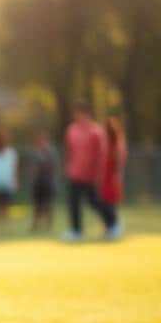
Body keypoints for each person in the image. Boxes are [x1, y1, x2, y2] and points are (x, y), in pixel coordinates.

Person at [62, 100, 113, 241]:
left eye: (82, 114)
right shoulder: (71, 130)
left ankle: (112, 223)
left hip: (91, 175)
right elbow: (69, 151)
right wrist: (68, 166)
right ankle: (76, 230)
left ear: (87, 114)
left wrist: (99, 173)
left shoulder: (96, 131)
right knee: (73, 202)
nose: (79, 117)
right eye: (77, 114)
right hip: (75, 173)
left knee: (94, 201)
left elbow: (101, 155)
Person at [99, 117, 128, 240]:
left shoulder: (117, 144)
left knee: (110, 203)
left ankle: (115, 226)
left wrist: (118, 176)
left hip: (111, 177)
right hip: (104, 177)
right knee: (104, 202)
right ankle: (108, 227)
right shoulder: (105, 143)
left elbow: (119, 162)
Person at [28, 131, 57, 233]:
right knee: (38, 205)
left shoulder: (50, 152)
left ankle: (49, 225)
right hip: (38, 184)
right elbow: (32, 168)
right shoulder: (35, 152)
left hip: (48, 183)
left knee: (48, 205)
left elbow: (53, 167)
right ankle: (36, 224)